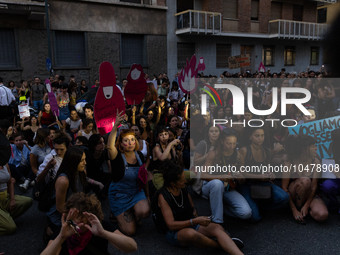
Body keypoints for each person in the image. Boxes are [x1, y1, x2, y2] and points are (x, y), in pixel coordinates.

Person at [155, 160, 243, 254]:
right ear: (173, 184)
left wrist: (194, 208)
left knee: (217, 228)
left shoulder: (181, 187)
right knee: (192, 234)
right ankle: (221, 245)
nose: (185, 181)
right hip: (174, 232)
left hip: (190, 222)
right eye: (182, 180)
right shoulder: (163, 197)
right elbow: (171, 225)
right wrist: (195, 221)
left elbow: (187, 196)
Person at [41, 193, 137, 255]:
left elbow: (132, 247)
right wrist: (61, 237)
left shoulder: (99, 226)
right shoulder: (63, 231)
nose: (71, 220)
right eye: (70, 215)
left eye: (76, 216)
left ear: (87, 218)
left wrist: (103, 233)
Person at [107, 110, 150, 236]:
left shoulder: (140, 155)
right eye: (126, 140)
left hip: (136, 192)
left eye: (132, 139)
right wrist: (115, 126)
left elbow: (144, 178)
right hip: (119, 195)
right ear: (121, 144)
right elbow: (110, 147)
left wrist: (147, 196)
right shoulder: (117, 157)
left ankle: (133, 210)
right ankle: (116, 213)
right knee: (130, 231)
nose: (130, 143)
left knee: (145, 211)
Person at [236, 126, 289, 222]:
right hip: (246, 184)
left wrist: (270, 173)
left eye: (262, 135)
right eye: (257, 136)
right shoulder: (244, 150)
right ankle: (253, 205)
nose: (260, 138)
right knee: (254, 217)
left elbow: (266, 167)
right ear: (250, 136)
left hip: (262, 183)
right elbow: (240, 172)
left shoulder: (266, 150)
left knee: (284, 197)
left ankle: (259, 205)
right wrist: (258, 176)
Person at [202, 128, 252, 222]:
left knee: (246, 213)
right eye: (229, 143)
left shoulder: (238, 155)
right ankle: (217, 221)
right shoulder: (214, 153)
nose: (231, 146)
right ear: (222, 141)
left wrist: (241, 178)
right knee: (217, 183)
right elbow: (202, 175)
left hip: (228, 187)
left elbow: (242, 178)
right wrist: (220, 177)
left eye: (234, 143)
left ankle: (219, 207)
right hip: (210, 186)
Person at [282, 135, 328, 223]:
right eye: (313, 146)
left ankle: (304, 210)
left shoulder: (315, 161)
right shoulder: (289, 161)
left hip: (309, 194)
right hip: (293, 194)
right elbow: (284, 188)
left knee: (322, 215)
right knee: (305, 180)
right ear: (303, 149)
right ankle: (298, 209)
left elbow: (314, 187)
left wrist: (307, 205)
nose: (316, 148)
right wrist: (294, 209)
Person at [46, 146, 87, 238]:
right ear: (73, 162)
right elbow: (60, 208)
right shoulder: (63, 180)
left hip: (75, 210)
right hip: (60, 216)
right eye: (81, 161)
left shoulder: (81, 173)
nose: (85, 163)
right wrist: (75, 221)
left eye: (85, 159)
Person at [0, 163, 32, 235]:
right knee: (11, 228)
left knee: (28, 201)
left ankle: (4, 217)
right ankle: (5, 220)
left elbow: (10, 182)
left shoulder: (5, 164)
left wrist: (12, 199)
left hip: (5, 197)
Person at [152, 126, 180, 191]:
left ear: (168, 135)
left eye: (165, 134)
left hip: (171, 173)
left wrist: (179, 154)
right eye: (161, 135)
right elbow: (162, 159)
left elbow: (176, 163)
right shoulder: (157, 148)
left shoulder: (171, 147)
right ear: (158, 138)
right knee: (166, 190)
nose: (164, 137)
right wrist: (170, 144)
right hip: (159, 174)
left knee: (192, 175)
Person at [85, 134, 111, 199]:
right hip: (88, 176)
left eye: (103, 142)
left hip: (98, 173)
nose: (103, 144)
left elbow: (110, 166)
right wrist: (98, 183)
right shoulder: (87, 155)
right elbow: (84, 176)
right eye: (100, 143)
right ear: (94, 145)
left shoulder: (104, 152)